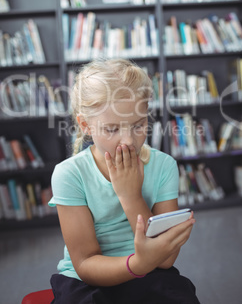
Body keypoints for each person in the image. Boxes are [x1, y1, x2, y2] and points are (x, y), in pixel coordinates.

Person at [48, 58, 200, 304]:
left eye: (138, 125)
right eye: (111, 129)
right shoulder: (69, 174)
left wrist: (131, 196)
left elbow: (165, 260)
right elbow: (85, 263)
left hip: (150, 273)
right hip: (86, 281)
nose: (128, 141)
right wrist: (138, 263)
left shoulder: (163, 166)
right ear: (85, 125)